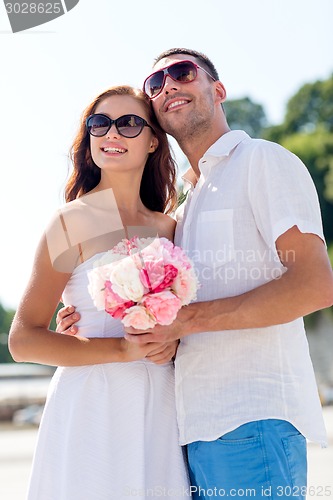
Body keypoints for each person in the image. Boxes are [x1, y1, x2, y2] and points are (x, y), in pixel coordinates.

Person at [57, 50, 333, 500]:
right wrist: (86, 320)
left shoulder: (261, 160)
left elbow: (315, 284)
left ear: (218, 91)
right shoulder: (184, 208)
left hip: (254, 419)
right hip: (190, 430)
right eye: (155, 82)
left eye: (182, 72)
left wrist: (186, 321)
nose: (168, 85)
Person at [9, 85, 191, 499]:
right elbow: (23, 339)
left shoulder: (170, 229)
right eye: (99, 123)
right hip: (90, 401)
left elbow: (187, 317)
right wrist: (122, 351)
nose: (111, 133)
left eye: (128, 124)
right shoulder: (70, 222)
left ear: (152, 141)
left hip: (160, 402)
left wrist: (175, 342)